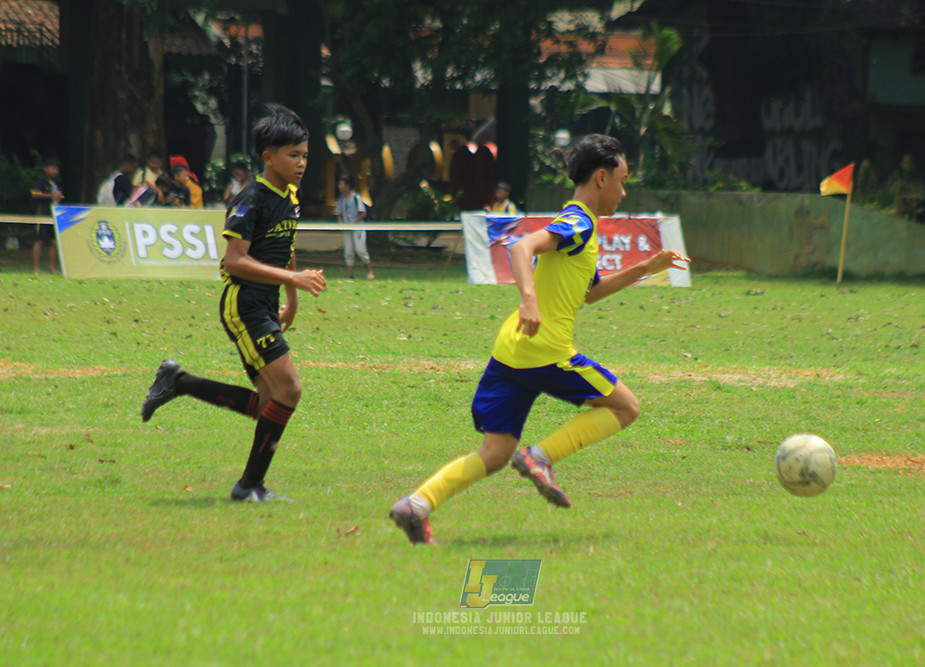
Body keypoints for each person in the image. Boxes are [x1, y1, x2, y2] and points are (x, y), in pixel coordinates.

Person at [389, 134, 690, 544]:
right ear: (601, 178)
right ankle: (540, 457)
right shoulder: (579, 221)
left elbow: (590, 292)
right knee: (626, 407)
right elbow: (521, 245)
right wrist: (529, 299)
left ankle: (417, 504)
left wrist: (646, 268)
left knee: (495, 452)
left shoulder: (582, 224)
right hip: (544, 349)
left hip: (512, 349)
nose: (624, 190)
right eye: (622, 180)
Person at [141, 103, 327, 502]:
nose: (301, 163)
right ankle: (248, 486)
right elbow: (235, 261)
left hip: (266, 302)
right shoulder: (249, 201)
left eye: (305, 155)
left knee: (268, 404)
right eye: (293, 155)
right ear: (269, 158)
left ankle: (179, 381)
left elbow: (284, 246)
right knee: (289, 390)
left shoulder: (291, 195)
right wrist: (292, 279)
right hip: (243, 305)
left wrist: (291, 298)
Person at [336, 174, 374, 280]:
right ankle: (350, 274)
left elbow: (363, 213)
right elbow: (338, 212)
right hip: (347, 229)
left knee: (360, 250)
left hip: (358, 228)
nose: (339, 186)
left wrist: (353, 222)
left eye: (341, 184)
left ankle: (370, 271)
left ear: (347, 185)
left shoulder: (356, 197)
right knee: (348, 251)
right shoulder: (341, 199)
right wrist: (341, 224)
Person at [30, 156, 63, 274]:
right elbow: (35, 193)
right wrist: (50, 196)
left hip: (54, 212)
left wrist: (58, 197)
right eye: (53, 168)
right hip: (42, 212)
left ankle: (51, 267)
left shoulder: (57, 181)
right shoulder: (42, 180)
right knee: (40, 240)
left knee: (54, 241)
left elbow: (58, 194)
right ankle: (36, 268)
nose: (55, 171)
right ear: (46, 168)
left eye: (57, 169)